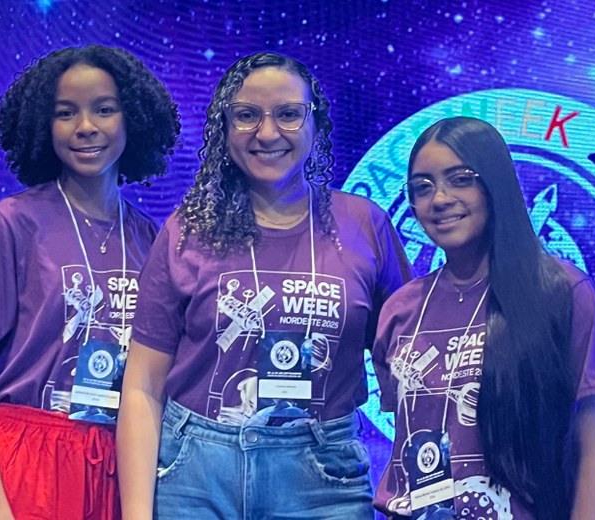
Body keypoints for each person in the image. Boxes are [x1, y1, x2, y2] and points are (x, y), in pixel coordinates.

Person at [117, 51, 413, 519]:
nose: (268, 133)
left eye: (289, 114)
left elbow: (410, 371)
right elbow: (142, 387)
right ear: (224, 128)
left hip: (323, 479)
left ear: (315, 124)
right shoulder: (186, 230)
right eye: (247, 115)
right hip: (195, 476)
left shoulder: (364, 224)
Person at [0, 45, 180, 520]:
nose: (85, 126)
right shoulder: (13, 222)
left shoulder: (151, 239)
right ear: (42, 125)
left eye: (104, 109)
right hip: (22, 464)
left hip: (118, 464)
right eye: (65, 113)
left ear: (133, 119)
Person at [371, 116, 595, 519]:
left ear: (496, 184)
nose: (439, 199)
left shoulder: (561, 290)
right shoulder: (401, 309)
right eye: (422, 187)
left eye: (461, 179)